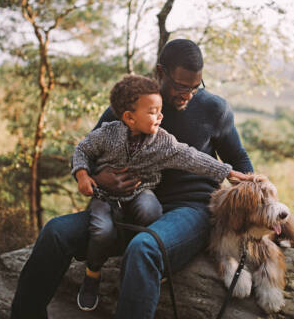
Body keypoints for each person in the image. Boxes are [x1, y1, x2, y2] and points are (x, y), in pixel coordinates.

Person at [10, 38, 253, 319]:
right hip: (125, 207)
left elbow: (240, 161)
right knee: (55, 231)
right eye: (181, 86)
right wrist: (99, 179)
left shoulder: (214, 109)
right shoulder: (129, 106)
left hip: (189, 212)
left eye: (195, 87)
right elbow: (87, 151)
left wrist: (258, 200)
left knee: (144, 248)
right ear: (160, 72)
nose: (188, 94)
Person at [72, 74, 248, 311]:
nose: (161, 116)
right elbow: (83, 149)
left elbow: (190, 156)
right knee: (101, 230)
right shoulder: (108, 133)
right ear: (129, 118)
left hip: (140, 192)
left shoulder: (161, 140)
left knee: (150, 209)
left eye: (161, 110)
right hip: (105, 196)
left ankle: (152, 262)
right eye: (154, 112)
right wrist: (84, 175)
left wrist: (227, 172)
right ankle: (92, 274)